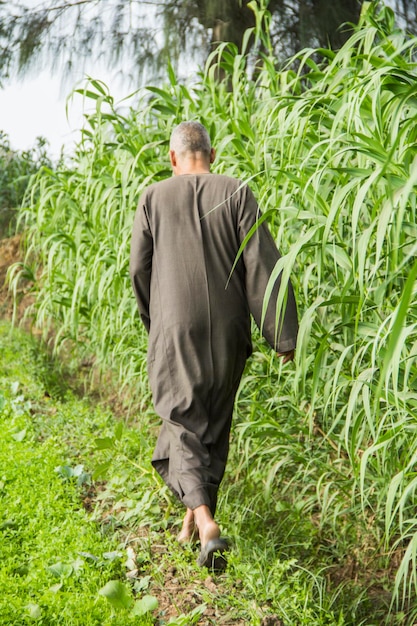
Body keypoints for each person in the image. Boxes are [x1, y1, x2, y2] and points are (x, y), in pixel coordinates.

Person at [129, 121, 298, 570]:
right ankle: (190, 528)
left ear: (173, 158)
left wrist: (156, 323)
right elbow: (263, 263)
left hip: (176, 327)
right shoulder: (237, 191)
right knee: (213, 424)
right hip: (229, 329)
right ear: (212, 153)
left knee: (181, 422)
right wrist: (281, 332)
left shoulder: (152, 198)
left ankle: (205, 523)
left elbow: (139, 271)